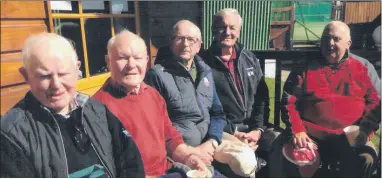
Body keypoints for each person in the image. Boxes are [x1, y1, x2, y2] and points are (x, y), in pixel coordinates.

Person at [0, 33, 145, 178]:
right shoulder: (11, 134)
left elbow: (131, 164)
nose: (56, 85)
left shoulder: (99, 112)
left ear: (77, 70)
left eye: (63, 74)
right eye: (44, 76)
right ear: (26, 75)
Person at [92, 30, 213, 178]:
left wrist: (188, 158)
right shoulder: (96, 108)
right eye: (122, 58)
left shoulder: (153, 95)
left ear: (146, 61)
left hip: (168, 171)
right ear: (108, 61)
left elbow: (170, 138)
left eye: (137, 58)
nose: (131, 65)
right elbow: (103, 167)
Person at [280, 21, 381, 177]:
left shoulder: (363, 67)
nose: (329, 43)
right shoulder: (306, 66)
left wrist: (365, 129)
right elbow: (289, 102)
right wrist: (298, 130)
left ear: (348, 43)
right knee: (298, 159)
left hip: (350, 138)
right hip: (311, 136)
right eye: (325, 38)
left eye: (335, 39)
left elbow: (376, 103)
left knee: (366, 158)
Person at [201, 8, 278, 175]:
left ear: (239, 31)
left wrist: (258, 130)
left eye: (232, 27)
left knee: (280, 142)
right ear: (213, 30)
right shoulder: (203, 64)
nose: (227, 32)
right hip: (224, 130)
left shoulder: (249, 58)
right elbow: (205, 109)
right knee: (245, 159)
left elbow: (261, 99)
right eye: (222, 27)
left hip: (253, 128)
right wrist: (236, 133)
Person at [145, 20, 226, 165]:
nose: (185, 44)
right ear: (171, 42)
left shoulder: (205, 72)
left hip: (210, 142)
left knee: (244, 161)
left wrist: (212, 142)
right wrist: (190, 152)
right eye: (179, 38)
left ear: (199, 45)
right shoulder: (157, 75)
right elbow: (156, 125)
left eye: (191, 39)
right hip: (180, 150)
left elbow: (218, 113)